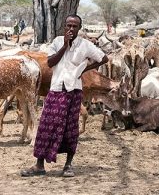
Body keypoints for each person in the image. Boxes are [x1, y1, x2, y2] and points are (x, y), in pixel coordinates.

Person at [21, 14, 108, 178]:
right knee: (47, 125)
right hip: (56, 90)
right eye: (68, 25)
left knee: (70, 128)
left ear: (79, 28)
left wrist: (84, 69)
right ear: (64, 26)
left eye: (75, 26)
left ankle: (68, 165)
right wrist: (65, 46)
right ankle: (39, 165)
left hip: (74, 90)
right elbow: (50, 63)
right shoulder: (57, 42)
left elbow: (104, 58)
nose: (71, 29)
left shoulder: (86, 45)